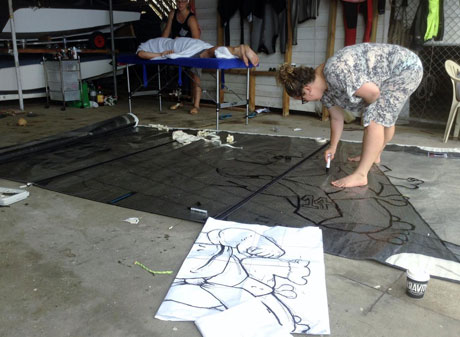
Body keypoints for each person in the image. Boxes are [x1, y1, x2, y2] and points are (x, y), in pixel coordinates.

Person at [276, 43, 423, 188]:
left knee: (375, 118)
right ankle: (374, 155)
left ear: (307, 89)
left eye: (303, 100)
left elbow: (373, 93)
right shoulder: (324, 89)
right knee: (384, 116)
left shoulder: (334, 72)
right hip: (395, 71)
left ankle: (361, 175)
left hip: (405, 68)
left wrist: (370, 112)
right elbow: (336, 117)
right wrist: (332, 147)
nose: (307, 101)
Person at [162, 0, 201, 114]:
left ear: (187, 2)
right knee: (176, 74)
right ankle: (180, 99)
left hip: (192, 50)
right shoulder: (172, 14)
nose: (180, 4)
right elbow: (167, 31)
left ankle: (196, 105)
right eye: (178, 1)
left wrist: (182, 41)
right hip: (177, 50)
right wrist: (160, 44)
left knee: (195, 74)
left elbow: (197, 41)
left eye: (183, 1)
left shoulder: (191, 19)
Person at [136, 37, 259, 71]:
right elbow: (142, 55)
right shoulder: (154, 42)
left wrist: (161, 54)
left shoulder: (146, 45)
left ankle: (237, 50)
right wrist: (161, 53)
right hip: (186, 42)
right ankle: (236, 50)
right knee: (208, 49)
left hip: (179, 46)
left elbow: (141, 54)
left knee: (206, 53)